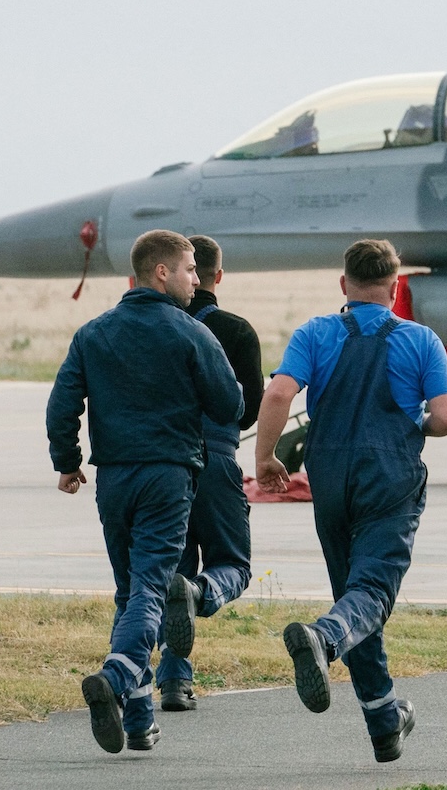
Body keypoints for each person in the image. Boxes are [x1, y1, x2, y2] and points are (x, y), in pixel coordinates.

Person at [254, 238, 447, 764]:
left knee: (355, 596)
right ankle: (323, 640)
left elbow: (279, 393)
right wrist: (419, 423)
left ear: (343, 285)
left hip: (330, 479)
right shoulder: (420, 339)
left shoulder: (316, 332)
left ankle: (384, 720)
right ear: (395, 289)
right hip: (388, 478)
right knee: (370, 592)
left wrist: (265, 459)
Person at [47, 229, 241, 755]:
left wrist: (66, 462)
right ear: (162, 272)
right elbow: (229, 404)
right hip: (168, 474)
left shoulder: (93, 332)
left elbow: (62, 402)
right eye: (189, 270)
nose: (195, 280)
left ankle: (138, 720)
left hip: (112, 478)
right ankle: (118, 675)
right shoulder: (190, 333)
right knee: (152, 586)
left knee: (130, 590)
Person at [154, 235, 264, 712]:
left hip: (163, 463)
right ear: (216, 276)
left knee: (170, 567)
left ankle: (174, 681)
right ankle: (202, 593)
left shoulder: (151, 329)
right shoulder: (237, 332)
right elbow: (249, 414)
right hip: (217, 458)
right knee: (233, 565)